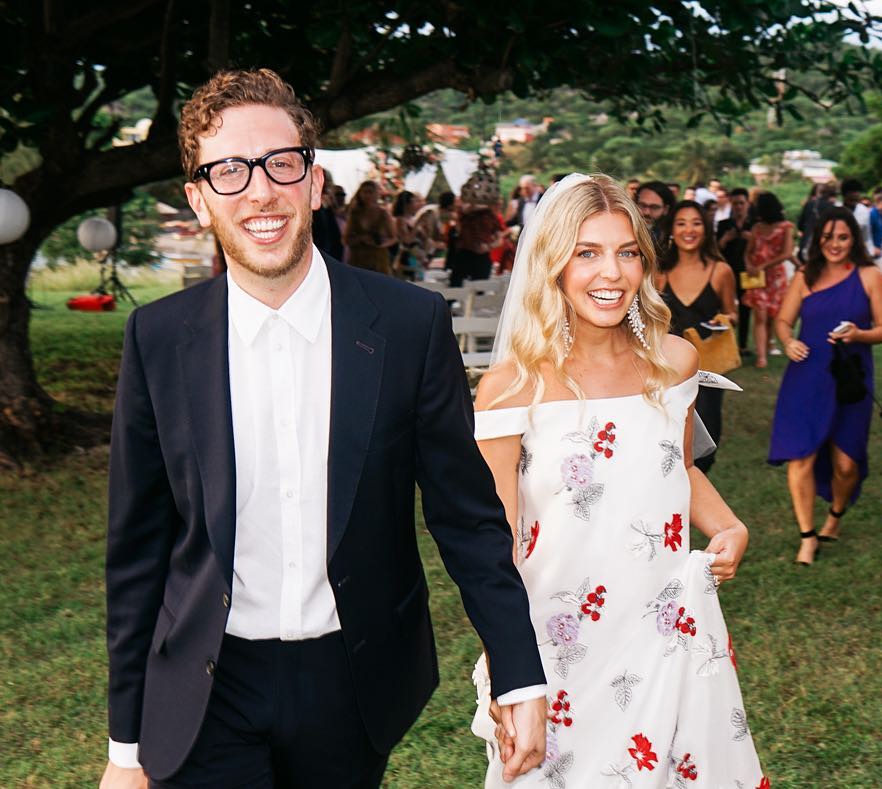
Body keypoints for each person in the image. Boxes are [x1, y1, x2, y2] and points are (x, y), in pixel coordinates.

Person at [101, 68, 548, 789]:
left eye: (281, 162)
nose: (259, 190)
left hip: (354, 676)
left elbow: (466, 517)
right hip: (207, 685)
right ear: (198, 199)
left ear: (313, 182)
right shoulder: (158, 338)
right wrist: (126, 748)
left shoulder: (408, 325)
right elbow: (137, 551)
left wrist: (520, 675)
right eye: (229, 171)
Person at [470, 173, 765, 788]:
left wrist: (729, 524)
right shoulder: (509, 389)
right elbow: (491, 547)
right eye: (587, 253)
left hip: (663, 637)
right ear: (553, 262)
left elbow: (678, 468)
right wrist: (509, 672)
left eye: (627, 252)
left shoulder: (676, 361)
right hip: (558, 652)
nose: (612, 273)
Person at [769, 207, 882, 565]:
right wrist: (788, 341)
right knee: (801, 455)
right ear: (817, 239)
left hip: (849, 378)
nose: (835, 244)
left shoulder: (869, 276)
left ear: (853, 238)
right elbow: (782, 320)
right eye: (827, 237)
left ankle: (835, 515)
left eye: (842, 237)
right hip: (806, 376)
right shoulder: (806, 275)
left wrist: (860, 334)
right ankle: (807, 535)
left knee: (846, 465)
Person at [659, 200, 738, 473]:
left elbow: (733, 312)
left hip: (708, 368)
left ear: (705, 229)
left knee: (705, 446)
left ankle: (693, 505)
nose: (688, 230)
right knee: (667, 440)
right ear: (671, 229)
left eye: (696, 223)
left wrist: (724, 321)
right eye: (681, 223)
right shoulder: (659, 274)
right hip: (668, 369)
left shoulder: (721, 271)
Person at [742, 192, 794, 368]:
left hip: (775, 277)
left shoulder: (786, 227)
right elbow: (748, 252)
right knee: (760, 315)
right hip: (758, 277)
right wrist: (749, 264)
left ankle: (768, 344)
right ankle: (761, 356)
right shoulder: (757, 228)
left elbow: (787, 253)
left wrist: (763, 265)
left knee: (772, 314)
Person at [716, 187, 754, 354]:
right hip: (727, 272)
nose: (738, 207)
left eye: (741, 203)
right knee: (724, 310)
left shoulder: (754, 226)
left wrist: (752, 239)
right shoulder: (724, 225)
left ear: (747, 204)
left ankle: (743, 345)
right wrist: (725, 239)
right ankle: (724, 345)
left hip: (748, 272)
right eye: (735, 203)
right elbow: (715, 250)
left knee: (746, 309)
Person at [450, 170, 503, 286]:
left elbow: (499, 239)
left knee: (480, 290)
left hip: (482, 257)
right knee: (456, 288)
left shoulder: (490, 216)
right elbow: (466, 208)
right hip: (464, 255)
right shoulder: (465, 214)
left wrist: (488, 247)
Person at [344, 179, 395, 275]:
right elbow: (345, 238)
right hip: (358, 259)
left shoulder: (383, 214)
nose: (367, 195)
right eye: (364, 192)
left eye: (370, 192)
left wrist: (381, 244)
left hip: (378, 259)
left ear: (376, 194)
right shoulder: (355, 214)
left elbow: (393, 237)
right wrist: (361, 239)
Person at [311, 169, 343, 261]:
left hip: (332, 247)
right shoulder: (311, 201)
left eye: (327, 180)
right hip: (320, 247)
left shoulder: (331, 202)